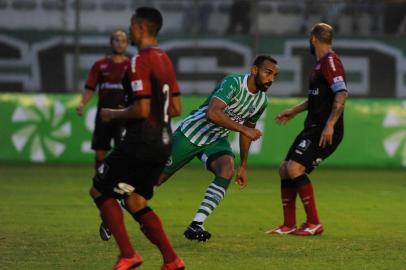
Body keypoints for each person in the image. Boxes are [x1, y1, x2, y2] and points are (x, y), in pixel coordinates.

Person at [89, 7, 184, 270]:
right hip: (164, 143)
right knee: (135, 200)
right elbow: (176, 108)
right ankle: (172, 260)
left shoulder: (138, 61)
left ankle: (128, 254)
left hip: (141, 140)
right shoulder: (165, 59)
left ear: (141, 27)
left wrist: (113, 113)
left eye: (131, 26)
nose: (130, 30)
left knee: (99, 189)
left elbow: (142, 110)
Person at [158, 55, 279, 242]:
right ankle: (119, 208)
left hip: (215, 139)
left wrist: (244, 166)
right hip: (191, 133)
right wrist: (244, 129)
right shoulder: (233, 83)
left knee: (227, 170)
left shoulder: (261, 102)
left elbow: (246, 133)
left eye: (275, 75)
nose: (271, 79)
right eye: (268, 73)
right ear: (254, 70)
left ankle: (196, 223)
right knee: (157, 179)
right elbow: (212, 113)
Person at [267, 23, 348, 236]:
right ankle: (288, 225)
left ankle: (314, 223)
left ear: (313, 39)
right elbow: (317, 98)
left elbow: (342, 94)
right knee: (285, 169)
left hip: (325, 130)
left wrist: (330, 125)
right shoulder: (320, 64)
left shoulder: (331, 62)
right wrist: (294, 110)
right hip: (312, 127)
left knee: (294, 169)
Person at [76, 30, 130, 171]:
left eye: (123, 40)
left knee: (123, 153)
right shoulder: (100, 65)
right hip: (104, 116)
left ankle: (118, 184)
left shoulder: (131, 66)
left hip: (123, 116)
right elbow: (90, 87)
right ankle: (99, 182)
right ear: (111, 42)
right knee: (100, 153)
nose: (119, 43)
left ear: (127, 44)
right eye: (116, 40)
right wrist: (82, 103)